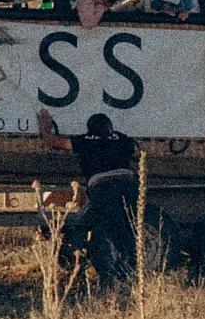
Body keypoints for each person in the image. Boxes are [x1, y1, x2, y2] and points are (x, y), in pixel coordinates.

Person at [43, 110, 139, 287]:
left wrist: (45, 126)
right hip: (128, 187)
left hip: (102, 190)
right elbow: (137, 153)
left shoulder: (85, 141)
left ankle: (78, 260)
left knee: (91, 227)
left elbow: (54, 142)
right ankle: (130, 272)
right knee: (126, 230)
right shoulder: (122, 138)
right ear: (110, 127)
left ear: (89, 130)